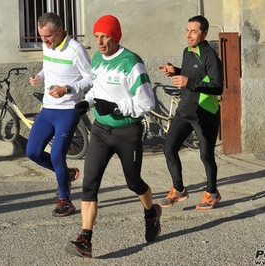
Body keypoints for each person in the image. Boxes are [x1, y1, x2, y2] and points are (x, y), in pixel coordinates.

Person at [66, 14, 161, 258]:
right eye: (97, 36)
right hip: (100, 130)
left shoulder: (132, 62)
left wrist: (117, 108)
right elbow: (98, 89)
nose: (99, 41)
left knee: (133, 182)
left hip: (127, 131)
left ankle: (151, 213)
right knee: (89, 184)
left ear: (116, 36)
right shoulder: (97, 58)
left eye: (105, 36)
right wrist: (86, 103)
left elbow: (147, 102)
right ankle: (85, 239)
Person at [26, 12, 93, 217]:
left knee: (57, 155)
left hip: (68, 110)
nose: (44, 41)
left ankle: (66, 200)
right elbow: (49, 67)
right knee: (33, 152)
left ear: (59, 30)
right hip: (47, 109)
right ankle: (67, 174)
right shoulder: (48, 46)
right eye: (40, 37)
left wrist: (69, 88)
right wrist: (39, 75)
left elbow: (91, 78)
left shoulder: (75, 49)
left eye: (47, 37)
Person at [158, 15, 223, 210]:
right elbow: (191, 74)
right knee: (169, 149)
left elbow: (217, 86)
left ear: (204, 33)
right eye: (187, 30)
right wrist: (175, 71)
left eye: (193, 31)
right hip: (185, 110)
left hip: (205, 114)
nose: (189, 35)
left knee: (206, 156)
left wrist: (188, 82)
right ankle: (179, 190)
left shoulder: (210, 56)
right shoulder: (187, 51)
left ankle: (213, 193)